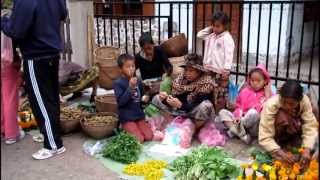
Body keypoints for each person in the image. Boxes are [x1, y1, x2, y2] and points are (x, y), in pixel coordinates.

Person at [1, 0, 67, 159]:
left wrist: (3, 21)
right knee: (51, 99)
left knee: (41, 102)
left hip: (35, 55)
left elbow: (16, 30)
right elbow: (63, 14)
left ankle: (52, 145)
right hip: (52, 52)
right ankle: (53, 138)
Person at [259, 80, 318, 168]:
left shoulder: (305, 101)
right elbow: (264, 136)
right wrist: (280, 153)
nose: (287, 106)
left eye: (291, 104)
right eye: (284, 102)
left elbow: (309, 125)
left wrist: (307, 150)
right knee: (282, 117)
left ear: (299, 100)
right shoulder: (271, 104)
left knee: (315, 111)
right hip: (277, 132)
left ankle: (293, 141)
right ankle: (279, 144)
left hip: (294, 129)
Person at [152, 54, 215, 130]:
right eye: (186, 70)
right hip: (180, 112)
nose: (187, 73)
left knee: (206, 105)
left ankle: (190, 128)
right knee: (156, 98)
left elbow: (196, 105)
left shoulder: (206, 83)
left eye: (191, 71)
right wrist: (166, 99)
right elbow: (176, 99)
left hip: (194, 114)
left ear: (199, 72)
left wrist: (180, 105)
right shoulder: (181, 79)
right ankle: (178, 124)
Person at [218, 64, 272, 144]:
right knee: (222, 112)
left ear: (265, 81)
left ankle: (234, 131)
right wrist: (238, 116)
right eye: (252, 80)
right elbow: (238, 107)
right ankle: (243, 136)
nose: (255, 83)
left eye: (258, 81)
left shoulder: (268, 94)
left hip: (254, 127)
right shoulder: (245, 91)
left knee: (253, 112)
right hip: (241, 120)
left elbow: (268, 111)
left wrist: (267, 96)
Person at [197, 11, 235, 112]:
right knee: (208, 89)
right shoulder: (211, 35)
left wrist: (226, 70)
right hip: (208, 68)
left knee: (220, 92)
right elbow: (199, 35)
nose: (215, 28)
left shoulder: (227, 38)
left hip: (220, 71)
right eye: (213, 26)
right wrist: (210, 29)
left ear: (225, 25)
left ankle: (219, 112)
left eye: (218, 26)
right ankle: (209, 110)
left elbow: (229, 55)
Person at [113, 54, 153, 143]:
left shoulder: (138, 80)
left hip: (138, 115)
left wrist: (145, 98)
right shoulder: (118, 83)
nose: (131, 69)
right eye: (127, 67)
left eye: (133, 66)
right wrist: (130, 87)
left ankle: (135, 127)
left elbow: (142, 98)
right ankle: (123, 127)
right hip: (127, 117)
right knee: (139, 139)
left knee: (149, 136)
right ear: (120, 69)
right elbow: (121, 102)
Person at [1, 32, 25, 144]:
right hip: (7, 62)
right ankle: (11, 134)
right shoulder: (6, 20)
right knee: (9, 98)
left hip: (6, 61)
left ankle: (3, 129)